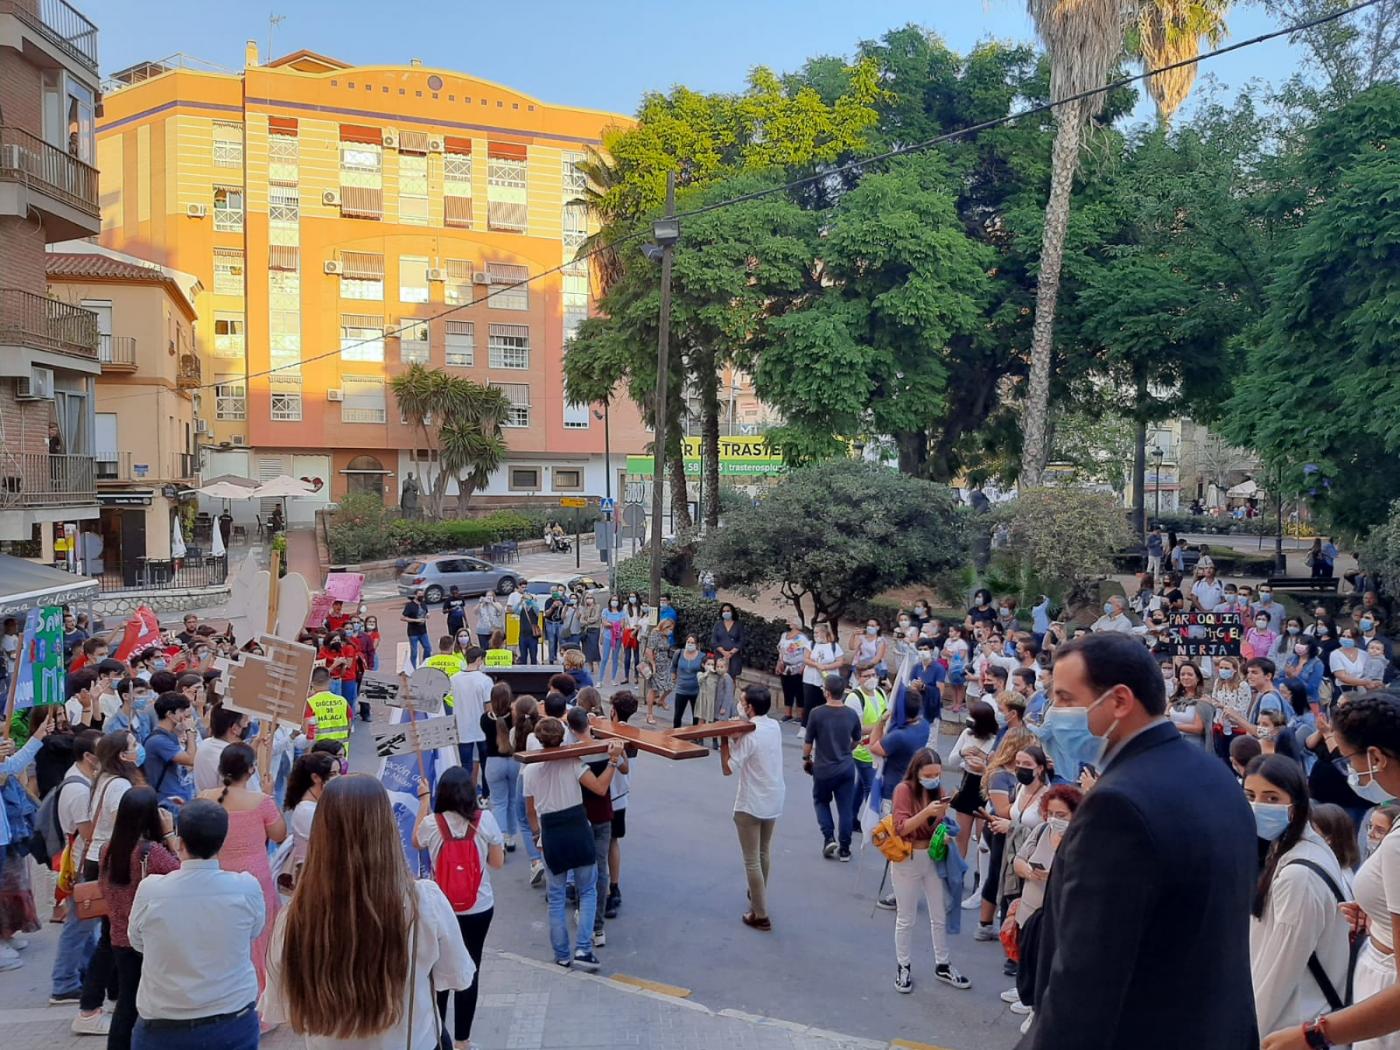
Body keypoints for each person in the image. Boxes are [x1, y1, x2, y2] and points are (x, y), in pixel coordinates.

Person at [1019, 632, 1257, 1050]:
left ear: (1120, 701)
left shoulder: (1116, 807)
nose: (1054, 714)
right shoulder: (1215, 775)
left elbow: (1085, 980)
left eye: (1065, 699)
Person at [262, 776, 475, 1050]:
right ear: (387, 828)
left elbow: (283, 1007)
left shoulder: (295, 918)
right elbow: (457, 975)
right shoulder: (424, 901)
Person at [1263, 693, 1400, 1049]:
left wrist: (1314, 1035)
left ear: (1375, 757)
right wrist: (1380, 917)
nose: (1349, 771)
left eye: (1348, 760)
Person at [128, 799, 264, 1050]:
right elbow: (254, 931)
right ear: (222, 843)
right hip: (231, 1020)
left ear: (179, 842)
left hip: (163, 1026)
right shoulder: (246, 887)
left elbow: (137, 941)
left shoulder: (151, 890)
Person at [1244, 754, 1351, 1040]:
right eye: (1250, 795)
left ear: (1295, 804)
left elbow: (1277, 974)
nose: (1257, 806)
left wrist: (1247, 1035)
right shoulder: (1295, 848)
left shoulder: (1298, 876)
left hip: (1295, 1025)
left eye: (1271, 798)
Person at [414, 766, 504, 1050]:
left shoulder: (432, 823)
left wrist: (424, 800)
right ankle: (464, 1041)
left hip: (440, 908)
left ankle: (440, 1037)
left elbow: (416, 842)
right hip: (479, 906)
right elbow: (497, 863)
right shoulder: (485, 820)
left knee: (438, 971)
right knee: (470, 968)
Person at [522, 718, 624, 970]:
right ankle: (583, 949)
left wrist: (537, 835)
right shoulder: (573, 762)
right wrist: (613, 761)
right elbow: (600, 788)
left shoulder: (531, 769)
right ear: (562, 737)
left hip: (551, 831)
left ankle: (561, 954)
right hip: (577, 826)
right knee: (587, 891)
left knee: (556, 897)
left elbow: (530, 811)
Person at [197, 742, 285, 990]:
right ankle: (260, 999)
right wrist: (271, 795)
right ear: (251, 770)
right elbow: (279, 835)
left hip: (215, 876)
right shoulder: (262, 801)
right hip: (256, 879)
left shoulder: (204, 798)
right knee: (259, 940)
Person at [99, 787, 181, 1050]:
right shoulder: (151, 852)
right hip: (148, 939)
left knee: (127, 1001)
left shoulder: (108, 850)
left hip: (120, 937)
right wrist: (169, 834)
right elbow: (184, 874)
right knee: (152, 1003)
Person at [889, 748, 971, 993]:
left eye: (937, 773)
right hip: (908, 858)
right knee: (906, 918)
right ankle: (903, 966)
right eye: (929, 774)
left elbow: (937, 827)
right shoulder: (903, 790)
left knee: (939, 914)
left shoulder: (940, 792)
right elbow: (901, 828)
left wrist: (943, 831)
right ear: (917, 772)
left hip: (933, 858)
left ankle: (942, 964)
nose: (934, 778)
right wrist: (927, 812)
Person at [720, 684, 784, 931]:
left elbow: (728, 768)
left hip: (751, 802)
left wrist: (724, 738)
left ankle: (760, 913)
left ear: (750, 707)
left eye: (742, 702)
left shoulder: (751, 735)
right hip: (773, 797)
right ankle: (758, 895)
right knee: (763, 852)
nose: (739, 705)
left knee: (751, 860)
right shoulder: (773, 726)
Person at [49, 728, 101, 1002]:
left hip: (81, 863)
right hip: (82, 865)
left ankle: (83, 974)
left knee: (86, 925)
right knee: (78, 926)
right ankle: (63, 983)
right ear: (88, 756)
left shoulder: (80, 779)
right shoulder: (78, 790)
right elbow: (89, 832)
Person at [803, 673, 862, 862]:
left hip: (823, 767)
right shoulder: (851, 714)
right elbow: (857, 740)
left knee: (821, 801)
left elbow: (808, 741)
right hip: (846, 767)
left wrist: (806, 759)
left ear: (826, 692)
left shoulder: (816, 713)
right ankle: (845, 848)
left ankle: (829, 838)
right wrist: (847, 749)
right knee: (845, 808)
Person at [948, 700, 998, 862]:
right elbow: (952, 761)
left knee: (982, 837)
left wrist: (984, 764)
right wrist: (964, 755)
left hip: (985, 787)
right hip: (968, 784)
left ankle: (980, 874)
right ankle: (958, 871)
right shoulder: (967, 734)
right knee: (961, 835)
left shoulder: (995, 741)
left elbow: (999, 769)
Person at [845, 666, 888, 830]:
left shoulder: (880, 693)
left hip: (877, 748)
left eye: (873, 675)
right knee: (872, 789)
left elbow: (886, 715)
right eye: (866, 676)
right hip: (862, 751)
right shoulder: (854, 698)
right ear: (858, 678)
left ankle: (850, 818)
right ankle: (873, 826)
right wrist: (880, 725)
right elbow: (855, 728)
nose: (871, 678)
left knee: (860, 786)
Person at [282, 750, 336, 876]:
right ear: (315, 778)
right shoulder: (307, 811)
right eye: (333, 773)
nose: (338, 777)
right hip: (312, 874)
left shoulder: (318, 803)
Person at [449, 646, 492, 790]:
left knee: (465, 765)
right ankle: (485, 794)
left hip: (462, 727)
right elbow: (488, 707)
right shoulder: (485, 680)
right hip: (482, 729)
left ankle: (465, 795)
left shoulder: (454, 679)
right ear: (479, 660)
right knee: (486, 764)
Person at [194, 704, 255, 793]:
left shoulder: (205, 744)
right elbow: (246, 794)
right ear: (234, 728)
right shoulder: (233, 757)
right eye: (245, 721)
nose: (247, 724)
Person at [800, 623, 843, 735]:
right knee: (809, 703)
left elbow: (840, 661)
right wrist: (816, 665)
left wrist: (826, 667)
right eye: (814, 632)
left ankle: (822, 728)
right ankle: (804, 727)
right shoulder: (811, 644)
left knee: (824, 703)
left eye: (817, 632)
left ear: (824, 633)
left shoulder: (834, 646)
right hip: (810, 678)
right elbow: (805, 659)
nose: (815, 635)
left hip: (827, 679)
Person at [774, 619, 810, 722]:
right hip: (785, 666)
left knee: (799, 691)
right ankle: (787, 713)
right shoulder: (784, 635)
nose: (789, 622)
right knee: (787, 690)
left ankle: (800, 715)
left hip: (798, 667)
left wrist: (803, 667)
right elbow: (781, 651)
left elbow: (806, 652)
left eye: (791, 620)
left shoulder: (802, 638)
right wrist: (779, 663)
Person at [643, 617, 676, 726]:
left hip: (665, 664)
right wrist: (653, 665)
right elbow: (648, 651)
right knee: (653, 688)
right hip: (656, 665)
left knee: (670, 685)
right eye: (669, 628)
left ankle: (661, 700)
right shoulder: (655, 635)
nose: (671, 631)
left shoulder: (665, 637)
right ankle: (649, 714)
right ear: (664, 627)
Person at [673, 634, 705, 728]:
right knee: (677, 715)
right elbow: (673, 666)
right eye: (688, 642)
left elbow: (705, 670)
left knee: (696, 716)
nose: (690, 644)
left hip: (696, 691)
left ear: (697, 644)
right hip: (681, 690)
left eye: (692, 643)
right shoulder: (679, 653)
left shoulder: (702, 656)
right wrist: (673, 675)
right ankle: (675, 735)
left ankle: (694, 736)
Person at [600, 595, 626, 684]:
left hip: (618, 638)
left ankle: (613, 679)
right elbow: (604, 623)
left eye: (616, 600)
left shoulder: (622, 612)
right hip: (607, 637)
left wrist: (611, 624)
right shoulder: (605, 611)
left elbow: (622, 625)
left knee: (615, 658)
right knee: (605, 658)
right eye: (613, 600)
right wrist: (615, 624)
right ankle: (600, 679)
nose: (614, 601)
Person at [402, 589, 431, 667]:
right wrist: (416, 620)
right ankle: (412, 668)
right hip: (413, 632)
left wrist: (427, 615)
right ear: (415, 595)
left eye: (422, 594)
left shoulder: (423, 604)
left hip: (423, 631)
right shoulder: (410, 605)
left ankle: (425, 664)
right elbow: (403, 618)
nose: (421, 596)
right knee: (414, 652)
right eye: (419, 594)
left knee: (428, 648)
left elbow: (426, 612)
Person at [578, 592, 602, 676]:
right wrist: (587, 621)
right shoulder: (584, 608)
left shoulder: (597, 606)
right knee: (586, 648)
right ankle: (590, 667)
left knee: (594, 647)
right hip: (586, 630)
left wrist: (587, 620)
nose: (589, 599)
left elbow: (596, 618)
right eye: (587, 598)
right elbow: (581, 620)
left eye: (591, 597)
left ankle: (599, 666)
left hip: (595, 629)